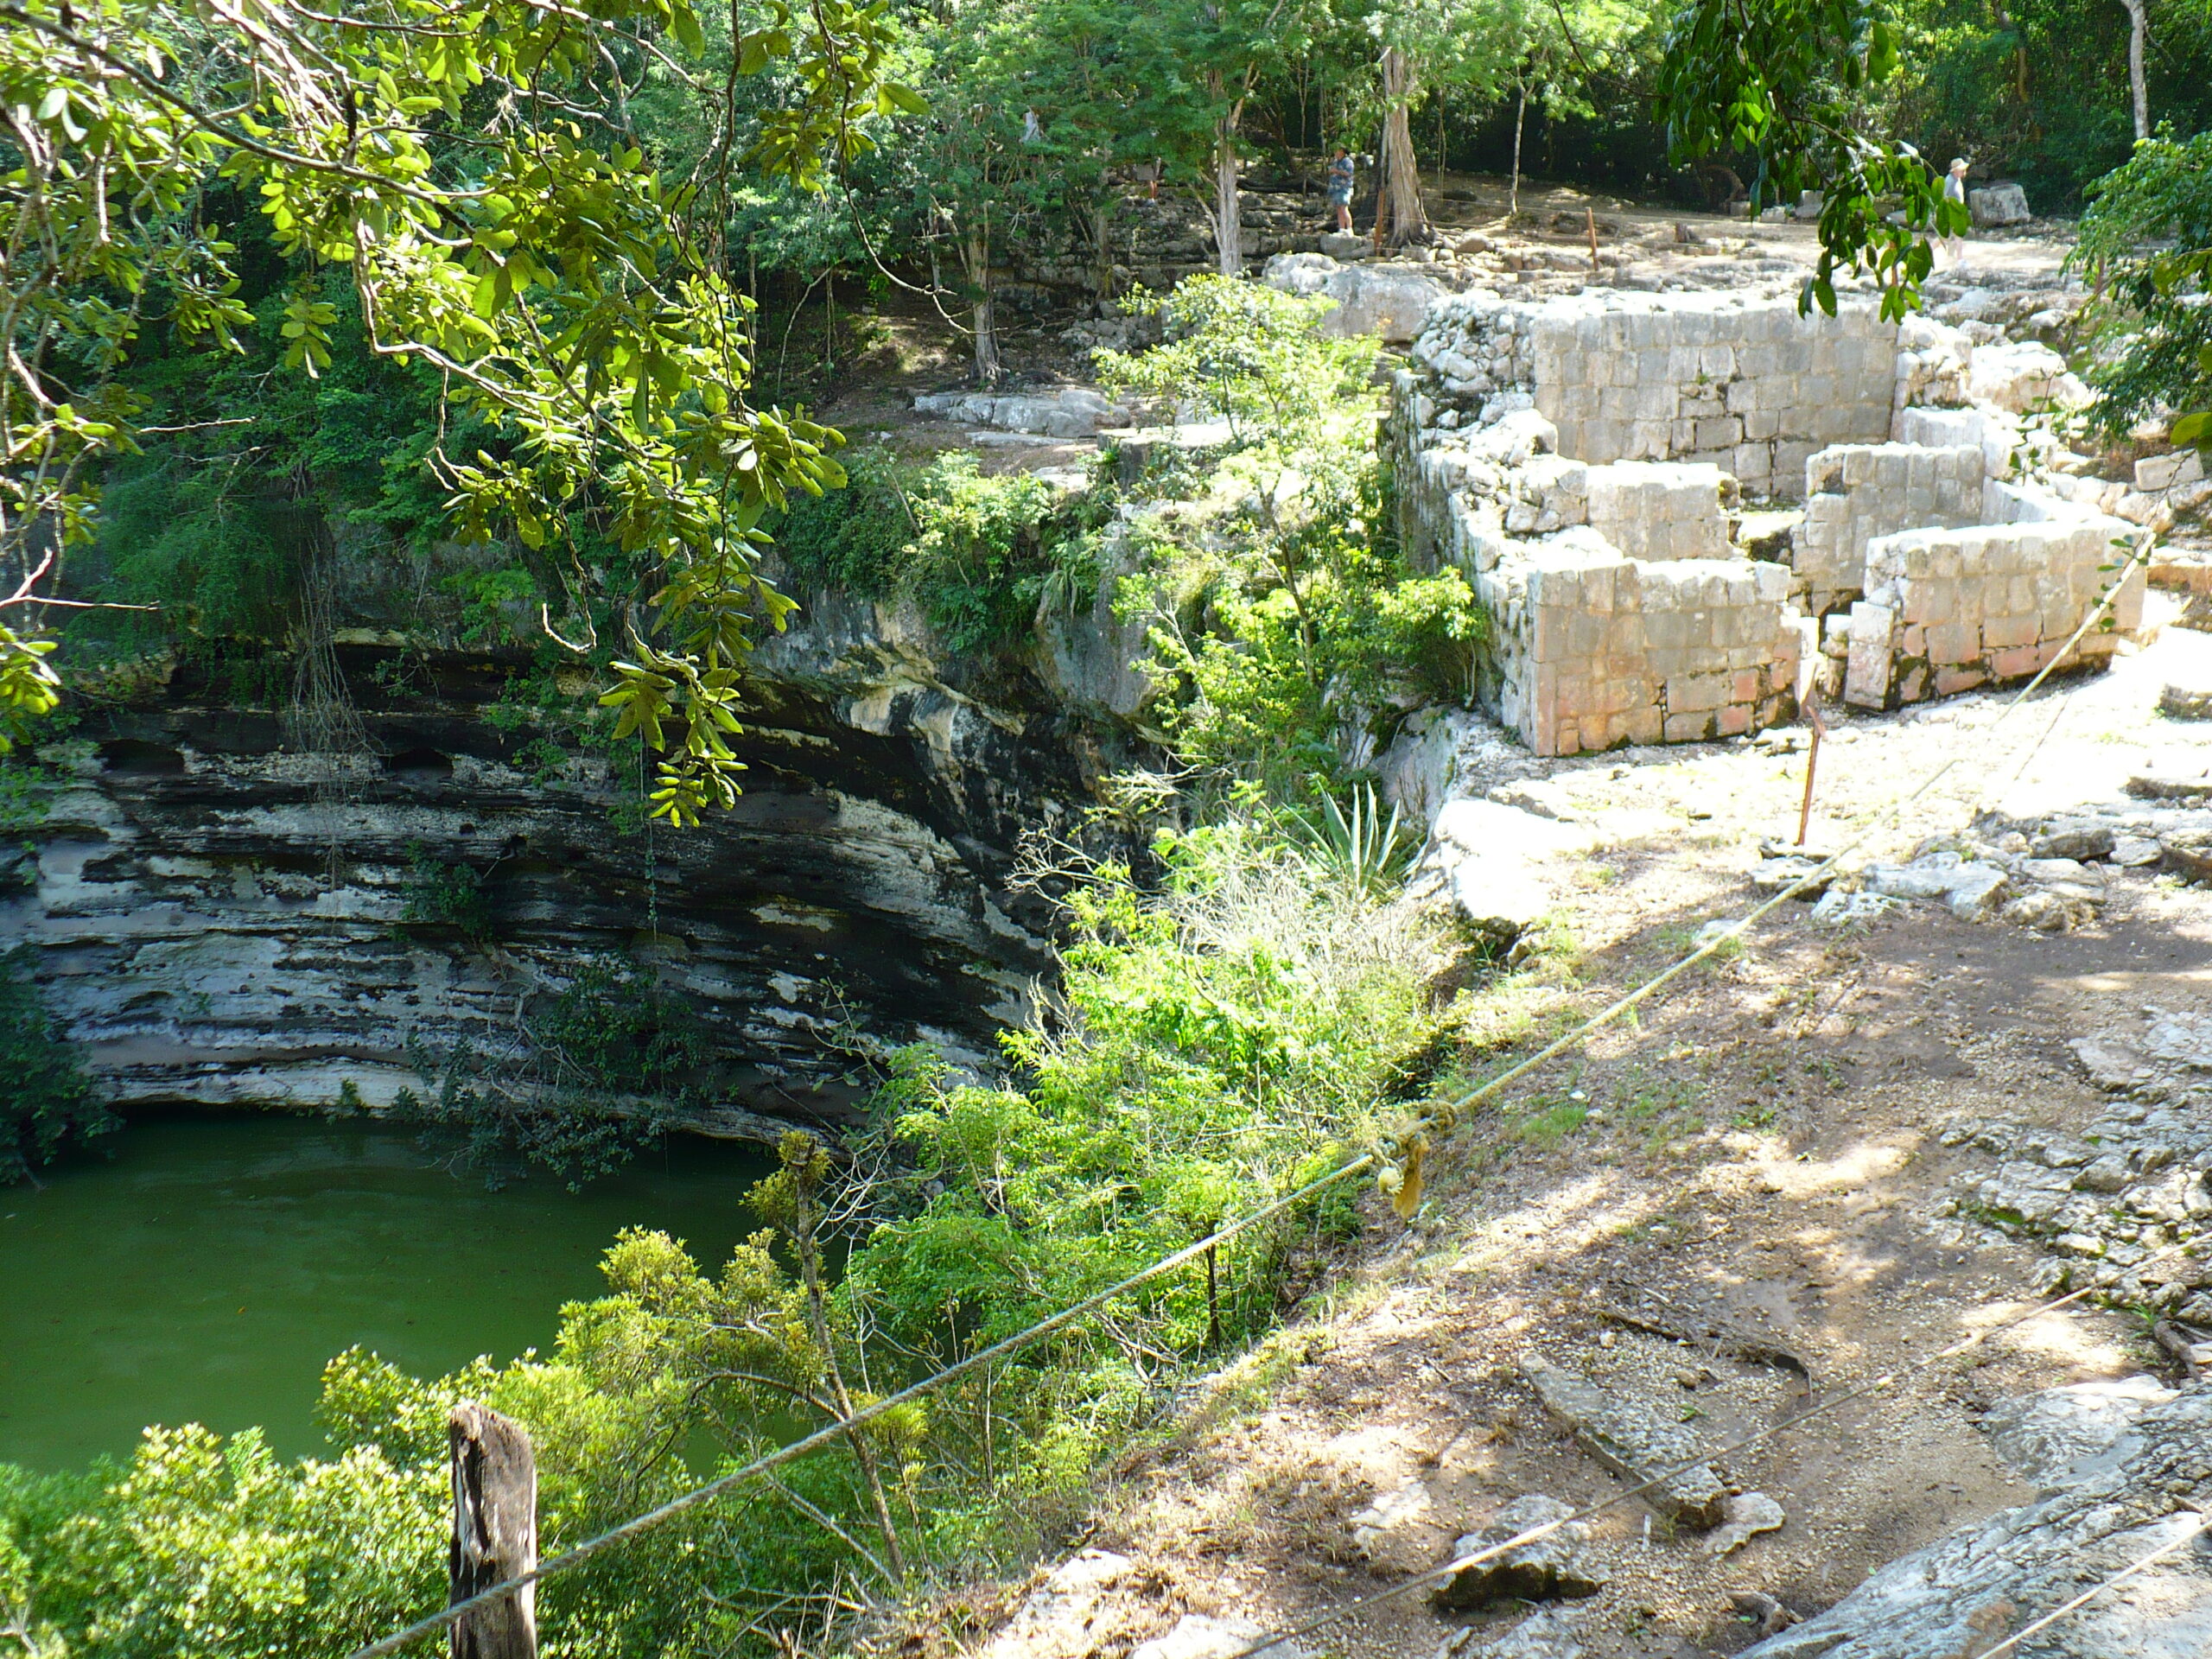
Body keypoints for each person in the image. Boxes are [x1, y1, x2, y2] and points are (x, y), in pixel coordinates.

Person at [1942, 156, 1969, 264]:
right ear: (1955, 170)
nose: (1963, 171)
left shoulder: (1957, 180)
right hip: (1951, 212)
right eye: (1961, 169)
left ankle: (1953, 259)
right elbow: (1944, 196)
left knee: (1950, 238)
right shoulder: (1949, 180)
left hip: (1957, 212)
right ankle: (1960, 259)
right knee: (1951, 237)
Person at [1325, 145, 1356, 232]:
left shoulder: (1348, 162)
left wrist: (1337, 171)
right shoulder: (1335, 161)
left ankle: (1349, 228)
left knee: (1344, 208)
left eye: (1338, 151)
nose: (1336, 153)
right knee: (1339, 209)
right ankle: (1342, 228)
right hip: (1335, 189)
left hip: (1344, 188)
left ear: (1342, 152)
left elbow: (1348, 174)